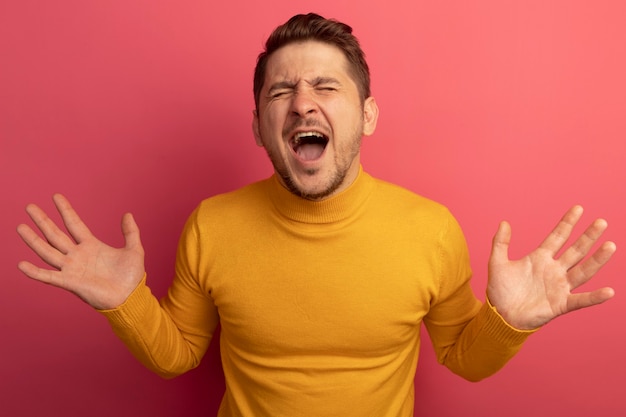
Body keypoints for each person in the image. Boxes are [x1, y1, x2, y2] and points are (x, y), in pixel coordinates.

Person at [17, 13, 616, 417]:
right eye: (281, 92)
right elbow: (177, 356)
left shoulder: (430, 229)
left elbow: (466, 357)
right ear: (258, 127)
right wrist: (128, 303)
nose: (302, 101)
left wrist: (510, 322)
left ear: (369, 115)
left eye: (326, 87)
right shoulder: (213, 224)